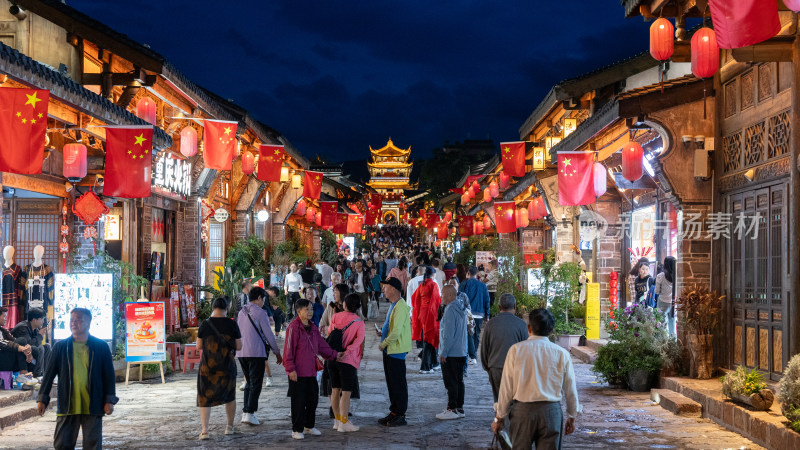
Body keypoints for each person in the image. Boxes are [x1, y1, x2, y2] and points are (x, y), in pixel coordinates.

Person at [492, 309, 580, 449]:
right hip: (551, 413)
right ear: (551, 331)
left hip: (522, 413)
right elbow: (570, 390)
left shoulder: (516, 350)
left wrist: (499, 417)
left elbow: (506, 388)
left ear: (529, 328)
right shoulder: (562, 354)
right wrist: (572, 416)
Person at [37, 308, 119, 450]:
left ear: (89, 322)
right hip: (67, 404)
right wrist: (42, 399)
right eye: (72, 320)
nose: (74, 323)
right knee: (62, 445)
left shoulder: (101, 347)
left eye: (79, 319)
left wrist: (109, 400)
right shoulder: (61, 347)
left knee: (93, 445)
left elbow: (109, 376)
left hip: (93, 404)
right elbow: (49, 375)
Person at [283, 298, 338, 440]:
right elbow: (288, 350)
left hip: (311, 371)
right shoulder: (293, 328)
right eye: (307, 309)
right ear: (298, 311)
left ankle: (309, 426)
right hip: (298, 372)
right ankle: (297, 429)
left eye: (311, 309)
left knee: (312, 400)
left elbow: (322, 345)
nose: (310, 312)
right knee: (298, 402)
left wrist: (335, 355)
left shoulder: (313, 327)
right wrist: (290, 369)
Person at [195, 298, 242, 439]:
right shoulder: (232, 324)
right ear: (227, 308)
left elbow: (198, 346)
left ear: (213, 307)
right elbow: (239, 346)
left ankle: (204, 431)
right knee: (229, 396)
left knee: (204, 397)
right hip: (226, 366)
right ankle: (229, 427)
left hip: (207, 367)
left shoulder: (205, 324)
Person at [237, 287, 282, 426]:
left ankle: (246, 412)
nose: (263, 302)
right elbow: (268, 334)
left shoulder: (241, 312)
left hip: (242, 352)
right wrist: (276, 352)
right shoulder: (261, 313)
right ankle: (250, 412)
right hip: (256, 352)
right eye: (263, 299)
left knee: (249, 382)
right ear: (258, 298)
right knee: (255, 383)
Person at [376, 277, 412, 427]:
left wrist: (383, 344)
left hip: (395, 350)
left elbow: (396, 332)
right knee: (392, 383)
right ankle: (394, 411)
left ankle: (400, 414)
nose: (384, 289)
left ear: (394, 289)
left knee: (398, 383)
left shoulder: (401, 306)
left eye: (386, 287)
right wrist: (382, 333)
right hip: (390, 350)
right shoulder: (394, 304)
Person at [480, 293, 529, 402]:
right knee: (515, 401)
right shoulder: (521, 324)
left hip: (495, 367)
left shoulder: (491, 324)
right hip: (515, 369)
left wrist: (488, 368)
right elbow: (526, 350)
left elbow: (484, 349)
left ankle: (501, 418)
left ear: (499, 307)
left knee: (499, 401)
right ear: (515, 307)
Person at [328, 293, 365, 432]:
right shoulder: (359, 322)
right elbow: (358, 340)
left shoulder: (335, 316)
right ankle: (344, 422)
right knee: (346, 392)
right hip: (348, 360)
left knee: (335, 389)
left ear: (344, 304)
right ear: (358, 307)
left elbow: (331, 333)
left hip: (333, 358)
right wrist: (347, 351)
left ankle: (337, 421)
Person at [435, 285, 468, 420]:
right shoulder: (461, 308)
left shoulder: (449, 310)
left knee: (451, 382)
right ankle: (459, 408)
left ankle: (452, 408)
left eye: (442, 294)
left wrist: (443, 352)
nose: (441, 297)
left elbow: (448, 334)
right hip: (461, 351)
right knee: (459, 380)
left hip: (452, 352)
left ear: (449, 295)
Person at [411, 266, 441, 374]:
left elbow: (414, 298)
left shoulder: (422, 285)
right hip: (431, 314)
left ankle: (434, 363)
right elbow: (436, 301)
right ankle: (425, 366)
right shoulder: (433, 284)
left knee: (429, 339)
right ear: (433, 274)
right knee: (429, 340)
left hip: (422, 314)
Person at [459, 266, 490, 366]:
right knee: (476, 334)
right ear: (476, 274)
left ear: (468, 273)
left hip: (467, 313)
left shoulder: (464, 284)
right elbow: (487, 300)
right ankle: (474, 354)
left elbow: (460, 298)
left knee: (468, 334)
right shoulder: (483, 285)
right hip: (479, 313)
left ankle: (469, 354)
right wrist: (487, 314)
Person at [0, 306, 36, 388]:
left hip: (6, 360)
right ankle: (24, 374)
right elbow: (2, 343)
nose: (6, 319)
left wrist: (28, 349)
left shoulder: (4, 331)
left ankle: (29, 379)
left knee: (34, 351)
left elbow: (14, 340)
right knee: (21, 341)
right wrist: (23, 348)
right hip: (2, 361)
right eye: (4, 316)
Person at [12, 307, 50, 379]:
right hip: (17, 354)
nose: (43, 321)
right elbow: (28, 345)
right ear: (34, 320)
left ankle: (45, 374)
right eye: (42, 319)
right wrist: (40, 335)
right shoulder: (22, 327)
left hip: (27, 352)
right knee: (40, 348)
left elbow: (35, 343)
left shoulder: (34, 328)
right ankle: (37, 375)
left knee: (47, 347)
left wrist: (39, 335)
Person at [655, 256, 676, 337]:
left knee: (662, 325)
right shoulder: (676, 275)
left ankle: (663, 344)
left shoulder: (661, 276)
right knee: (672, 324)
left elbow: (656, 291)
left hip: (663, 302)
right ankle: (673, 344)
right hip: (674, 303)